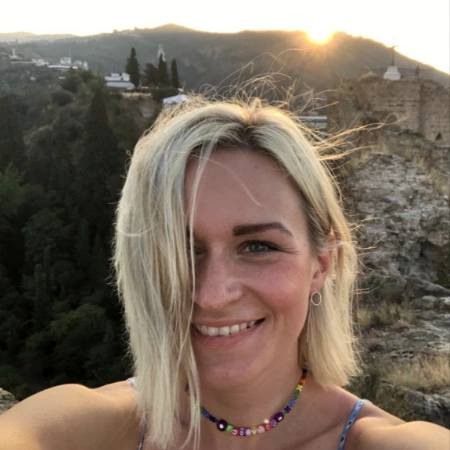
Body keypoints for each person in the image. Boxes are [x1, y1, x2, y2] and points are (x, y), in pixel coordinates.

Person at [0, 97, 448, 450]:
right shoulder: (83, 428)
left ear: (321, 264)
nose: (212, 294)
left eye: (258, 247)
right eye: (179, 249)